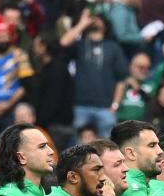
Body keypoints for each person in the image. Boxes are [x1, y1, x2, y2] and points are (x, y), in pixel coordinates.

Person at [60, 10, 129, 138]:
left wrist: (115, 105)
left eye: (98, 19)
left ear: (105, 24)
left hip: (106, 107)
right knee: (79, 149)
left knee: (107, 147)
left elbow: (121, 79)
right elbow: (64, 42)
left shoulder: (113, 47)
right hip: (81, 105)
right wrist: (82, 23)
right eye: (92, 19)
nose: (94, 21)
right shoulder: (80, 45)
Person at [31, 31, 74, 143]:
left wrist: (40, 121)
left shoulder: (56, 69)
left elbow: (53, 99)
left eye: (36, 45)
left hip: (56, 127)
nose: (34, 48)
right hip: (51, 125)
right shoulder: (46, 68)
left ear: (44, 47)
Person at [115, 52, 153, 123]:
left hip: (142, 125)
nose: (144, 70)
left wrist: (138, 89)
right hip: (121, 124)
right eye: (141, 67)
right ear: (131, 66)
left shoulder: (152, 85)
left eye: (148, 68)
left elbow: (154, 103)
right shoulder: (121, 85)